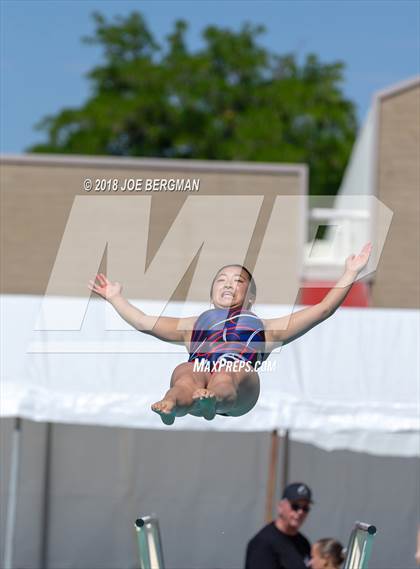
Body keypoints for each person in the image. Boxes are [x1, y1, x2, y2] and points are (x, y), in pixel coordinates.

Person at [89, 243, 371, 424]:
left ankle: (210, 401)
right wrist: (115, 298)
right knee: (185, 370)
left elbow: (322, 309)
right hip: (202, 383)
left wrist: (350, 273)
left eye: (238, 282)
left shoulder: (267, 329)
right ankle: (174, 404)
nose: (228, 284)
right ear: (211, 294)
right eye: (221, 280)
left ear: (251, 297)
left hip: (240, 393)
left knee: (228, 369)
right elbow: (143, 321)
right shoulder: (193, 325)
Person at [245, 482, 313, 568]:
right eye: (295, 506)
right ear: (280, 507)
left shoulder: (303, 543)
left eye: (305, 508)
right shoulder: (263, 543)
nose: (300, 512)